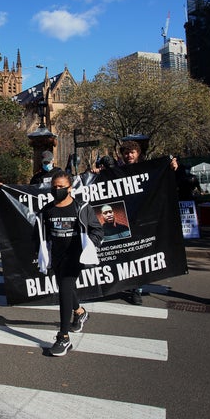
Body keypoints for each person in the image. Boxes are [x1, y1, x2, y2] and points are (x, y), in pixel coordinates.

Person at [40, 171, 103, 356]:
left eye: (61, 187)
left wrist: (89, 246)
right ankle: (80, 311)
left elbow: (97, 230)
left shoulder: (81, 208)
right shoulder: (47, 210)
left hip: (75, 256)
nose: (57, 189)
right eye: (54, 187)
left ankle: (64, 337)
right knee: (64, 288)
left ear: (70, 188)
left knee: (65, 289)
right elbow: (40, 233)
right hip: (57, 256)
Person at [118, 140, 143, 304]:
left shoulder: (147, 169)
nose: (129, 155)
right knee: (125, 253)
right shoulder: (118, 171)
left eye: (132, 152)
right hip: (123, 218)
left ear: (138, 153)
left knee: (140, 253)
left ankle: (137, 290)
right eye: (126, 153)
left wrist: (172, 165)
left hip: (141, 217)